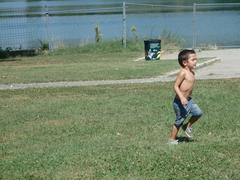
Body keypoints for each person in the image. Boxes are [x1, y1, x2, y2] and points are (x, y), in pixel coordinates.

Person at [168, 49, 203, 144]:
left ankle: (187, 126)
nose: (196, 61)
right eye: (193, 59)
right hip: (179, 102)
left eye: (196, 59)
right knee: (179, 121)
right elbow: (175, 86)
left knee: (198, 113)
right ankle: (171, 139)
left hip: (189, 101)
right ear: (185, 62)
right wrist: (182, 97)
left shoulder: (192, 73)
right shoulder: (183, 72)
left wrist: (187, 98)